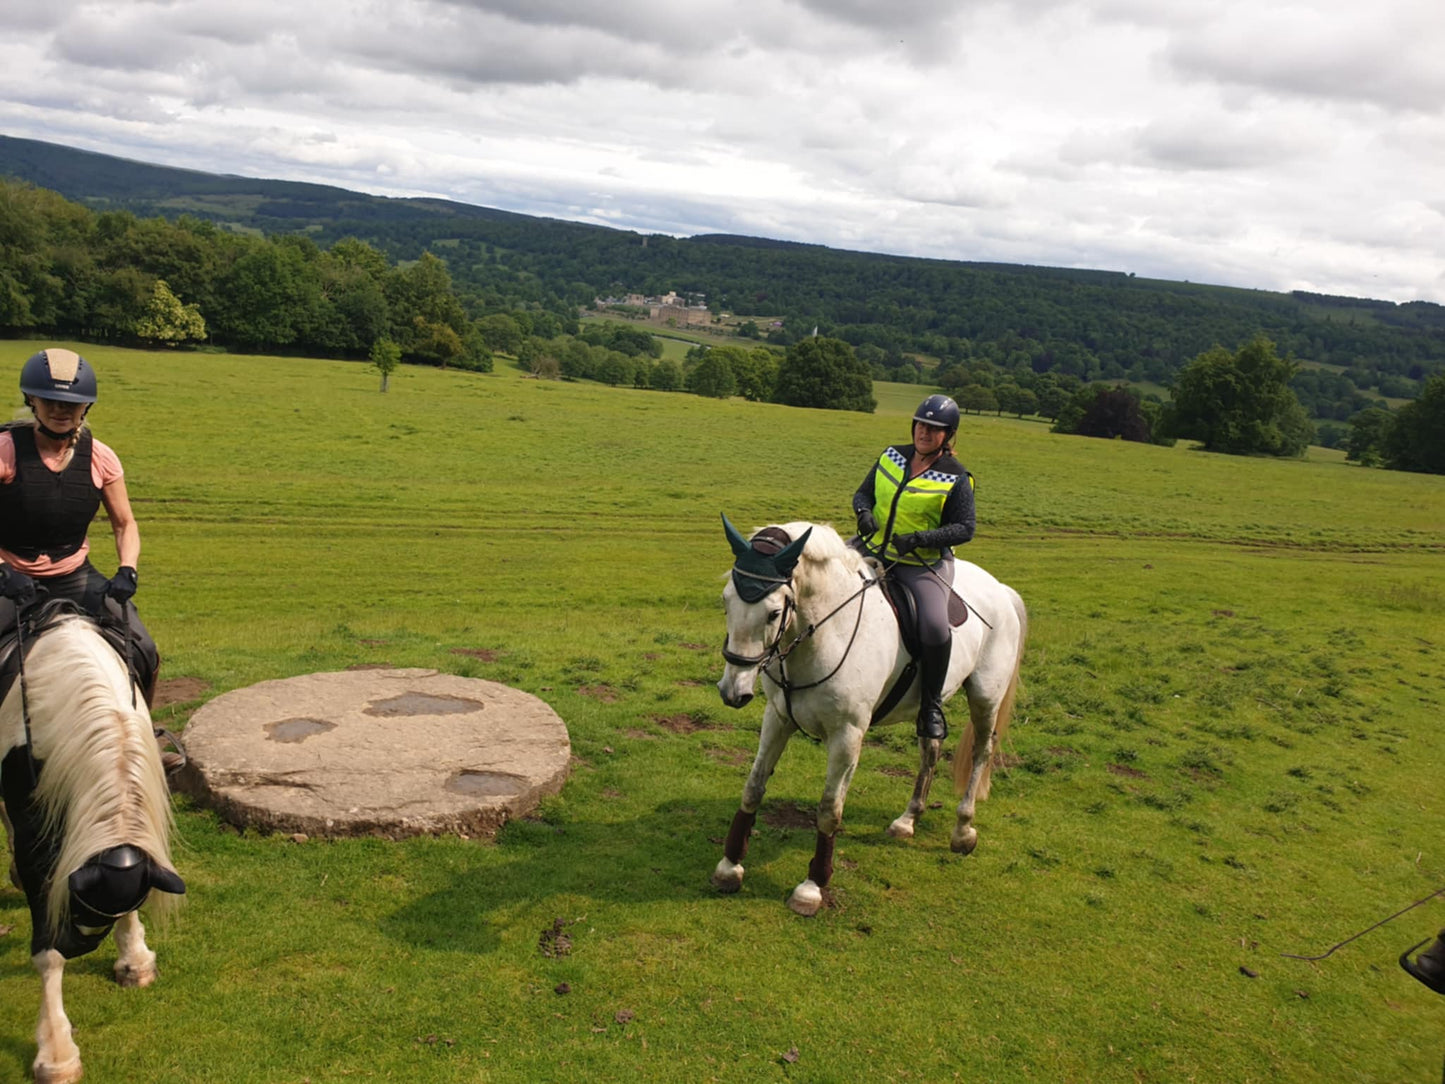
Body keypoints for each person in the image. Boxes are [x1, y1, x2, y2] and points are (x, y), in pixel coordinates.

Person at [0, 348, 160, 702]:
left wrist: (127, 570)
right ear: (32, 401)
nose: (60, 410)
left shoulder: (101, 457)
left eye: (71, 403)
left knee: (144, 648)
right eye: (50, 401)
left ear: (85, 407)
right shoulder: (6, 451)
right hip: (10, 576)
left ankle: (145, 735)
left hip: (74, 576)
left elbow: (124, 524)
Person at [851, 393, 975, 741]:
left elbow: (965, 528)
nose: (924, 432)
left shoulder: (956, 477)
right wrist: (863, 513)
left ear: (947, 435)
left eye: (934, 429)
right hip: (870, 548)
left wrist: (921, 538)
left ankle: (931, 706)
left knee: (935, 627)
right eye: (921, 424)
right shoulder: (891, 455)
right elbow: (863, 494)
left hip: (919, 564)